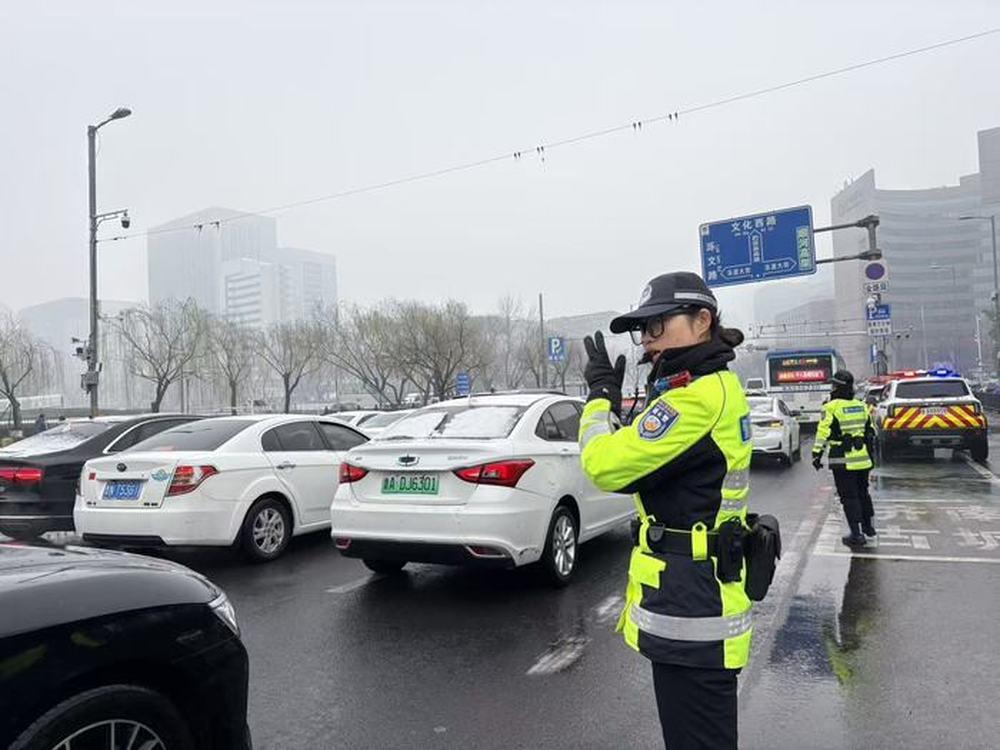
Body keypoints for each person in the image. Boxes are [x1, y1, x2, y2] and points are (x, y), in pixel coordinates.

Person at [578, 271, 753, 750]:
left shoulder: (696, 399)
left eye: (658, 325)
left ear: (702, 321)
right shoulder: (707, 386)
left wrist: (598, 400)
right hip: (695, 603)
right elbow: (646, 466)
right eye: (643, 329)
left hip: (694, 613)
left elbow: (605, 466)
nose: (647, 341)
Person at [812, 370, 876, 546]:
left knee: (849, 497)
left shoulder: (831, 407)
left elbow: (823, 433)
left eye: (834, 385)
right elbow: (870, 431)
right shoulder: (861, 405)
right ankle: (869, 527)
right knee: (863, 494)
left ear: (838, 387)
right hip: (863, 459)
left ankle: (856, 534)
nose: (831, 388)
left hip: (843, 460)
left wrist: (816, 454)